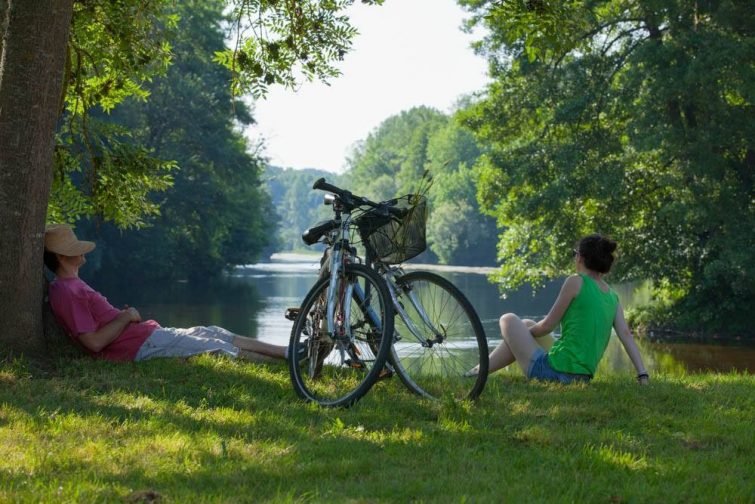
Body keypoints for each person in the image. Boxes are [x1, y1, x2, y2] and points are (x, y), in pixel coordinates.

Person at [44, 224, 292, 363]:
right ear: (62, 257)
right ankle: (290, 366)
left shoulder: (72, 286)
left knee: (214, 332)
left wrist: (124, 317)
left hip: (146, 335)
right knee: (213, 346)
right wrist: (126, 316)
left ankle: (287, 352)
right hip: (139, 344)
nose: (81, 251)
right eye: (74, 248)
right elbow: (94, 342)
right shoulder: (67, 291)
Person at [466, 234, 650, 385]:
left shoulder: (575, 281)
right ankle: (475, 373)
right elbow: (626, 334)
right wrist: (642, 374)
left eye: (575, 253)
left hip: (554, 374)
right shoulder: (612, 296)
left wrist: (520, 335)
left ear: (581, 257)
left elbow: (547, 327)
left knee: (508, 319)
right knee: (528, 323)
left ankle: (476, 372)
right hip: (582, 379)